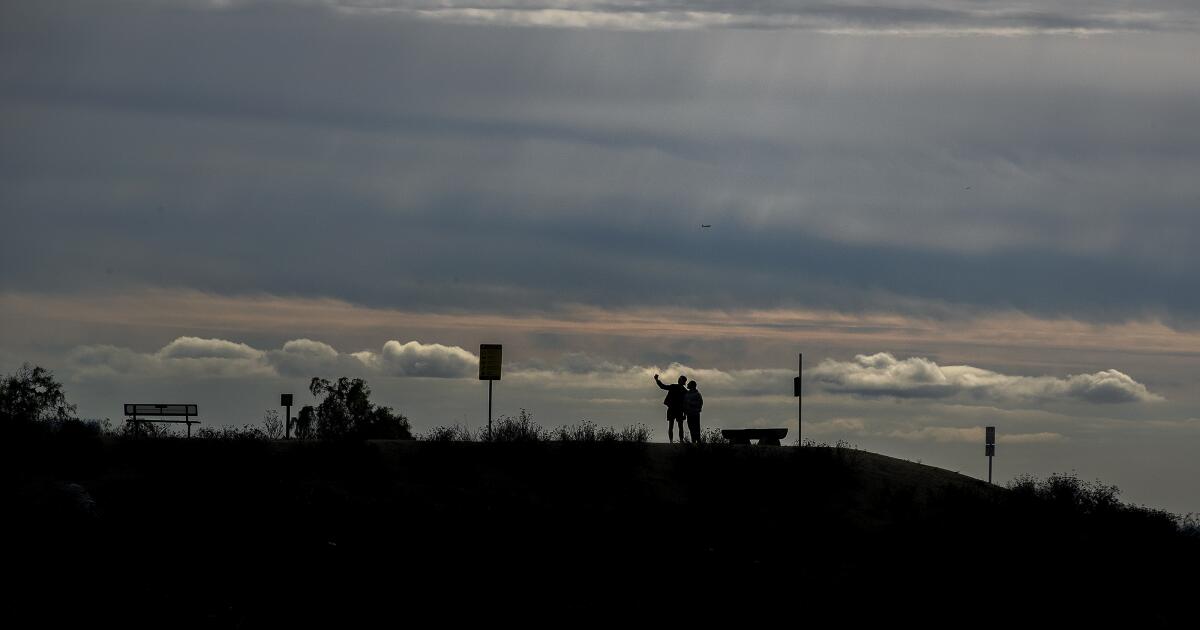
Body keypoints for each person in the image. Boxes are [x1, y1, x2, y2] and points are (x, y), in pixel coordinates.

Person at [654, 374, 688, 443]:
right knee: (672, 426)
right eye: (679, 379)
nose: (679, 380)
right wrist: (657, 380)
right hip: (672, 409)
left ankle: (680, 441)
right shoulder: (675, 387)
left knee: (679, 427)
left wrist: (685, 414)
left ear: (683, 381)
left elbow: (685, 403)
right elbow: (662, 386)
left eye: (680, 379)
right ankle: (671, 441)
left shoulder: (684, 391)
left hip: (678, 410)